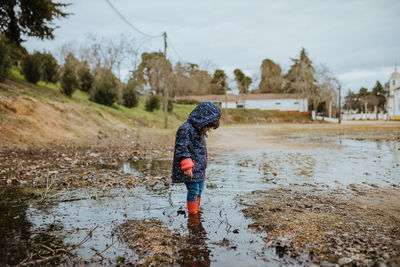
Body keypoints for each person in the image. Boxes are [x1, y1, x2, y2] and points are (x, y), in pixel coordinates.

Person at [172, 101, 221, 216]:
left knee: (200, 189)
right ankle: (193, 213)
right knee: (193, 190)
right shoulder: (186, 129)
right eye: (208, 126)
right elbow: (182, 148)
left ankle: (196, 209)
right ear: (202, 120)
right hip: (190, 168)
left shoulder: (199, 130)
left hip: (199, 168)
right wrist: (187, 165)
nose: (208, 129)